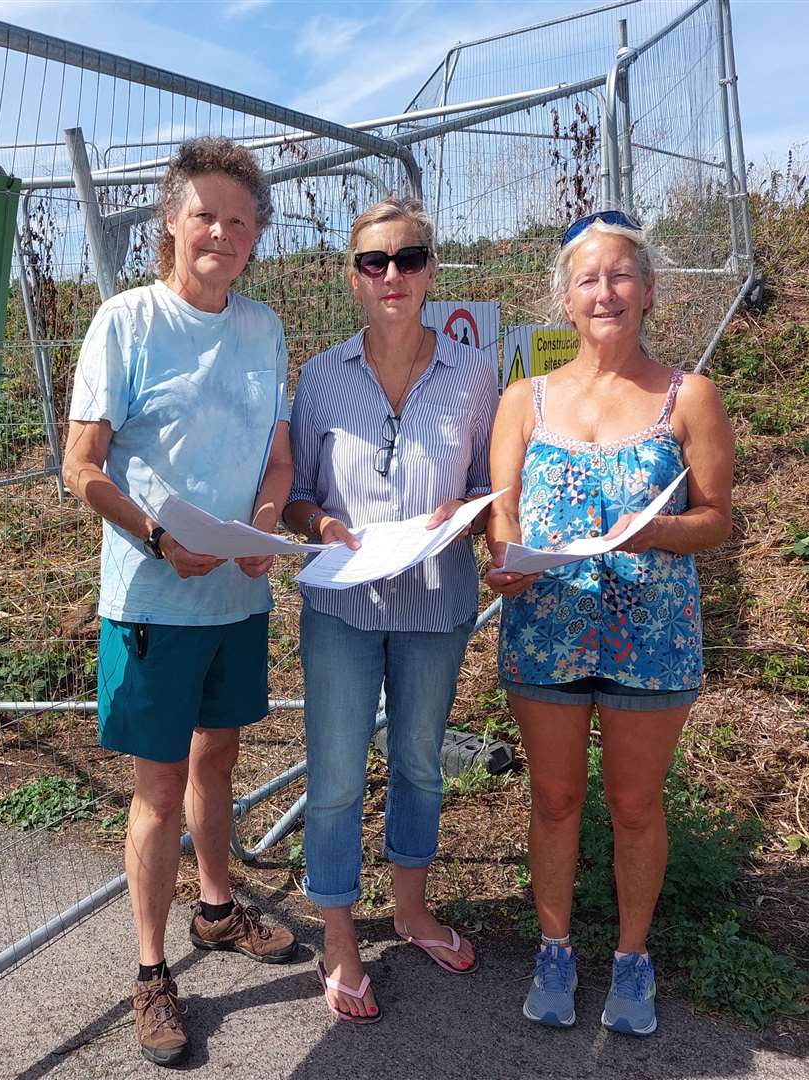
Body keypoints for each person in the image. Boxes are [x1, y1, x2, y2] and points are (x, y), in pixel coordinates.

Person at [63, 136, 297, 1068]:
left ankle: (214, 908)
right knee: (158, 788)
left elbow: (276, 461)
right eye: (205, 215)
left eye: (239, 222)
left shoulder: (264, 328)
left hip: (234, 598)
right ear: (170, 222)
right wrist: (161, 540)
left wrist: (265, 529)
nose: (221, 234)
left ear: (254, 240)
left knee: (220, 757)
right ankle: (152, 971)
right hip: (153, 598)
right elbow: (81, 469)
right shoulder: (125, 323)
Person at [485, 209, 734, 1035]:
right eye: (587, 279)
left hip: (650, 639)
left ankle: (632, 960)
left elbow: (716, 519)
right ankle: (553, 949)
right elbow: (504, 512)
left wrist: (652, 532)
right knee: (554, 800)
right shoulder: (523, 399)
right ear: (564, 300)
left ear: (649, 290)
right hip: (544, 630)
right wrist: (506, 559)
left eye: (620, 275)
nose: (605, 292)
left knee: (634, 806)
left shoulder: (687, 396)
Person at [284, 197, 498, 1023]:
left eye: (408, 259)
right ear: (352, 277)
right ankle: (339, 936)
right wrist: (321, 524)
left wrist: (471, 514)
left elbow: (486, 483)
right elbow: (298, 493)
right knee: (335, 775)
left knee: (417, 760)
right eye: (374, 262)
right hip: (341, 602)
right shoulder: (321, 375)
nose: (392, 276)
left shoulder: (473, 375)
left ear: (431, 270)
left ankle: (408, 911)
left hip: (435, 600)